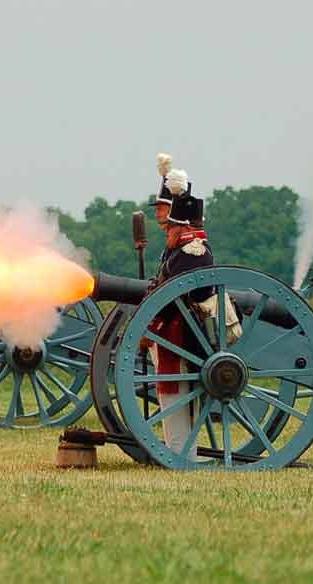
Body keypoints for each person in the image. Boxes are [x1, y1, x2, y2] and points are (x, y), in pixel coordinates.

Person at [141, 153, 213, 458]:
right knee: (171, 397)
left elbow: (176, 298)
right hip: (172, 334)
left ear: (181, 227)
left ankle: (181, 453)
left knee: (177, 398)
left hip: (184, 336)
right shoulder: (179, 251)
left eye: (170, 225)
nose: (165, 230)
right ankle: (178, 451)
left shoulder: (192, 252)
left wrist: (150, 326)